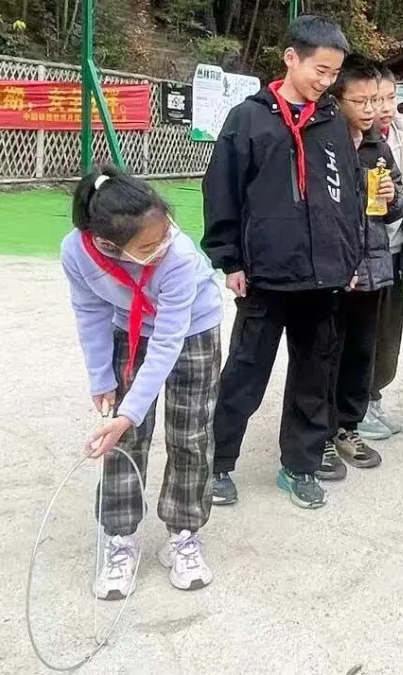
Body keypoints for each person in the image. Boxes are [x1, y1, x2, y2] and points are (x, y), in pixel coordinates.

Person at [201, 15, 364, 510]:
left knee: (315, 375)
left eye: (334, 73)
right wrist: (230, 259)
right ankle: (217, 463)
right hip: (265, 275)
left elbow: (350, 195)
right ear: (291, 58)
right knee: (245, 371)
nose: (326, 81)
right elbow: (222, 190)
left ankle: (300, 465)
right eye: (320, 69)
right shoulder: (248, 119)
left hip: (324, 277)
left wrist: (349, 257)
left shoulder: (332, 121)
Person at [63, 166, 223, 599]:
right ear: (109, 244)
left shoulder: (179, 256)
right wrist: (101, 377)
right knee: (123, 440)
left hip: (192, 331)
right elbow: (90, 311)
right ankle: (120, 538)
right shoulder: (77, 252)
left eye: (166, 231)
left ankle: (184, 533)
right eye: (150, 245)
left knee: (191, 435)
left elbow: (168, 341)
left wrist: (130, 411)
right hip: (129, 331)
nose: (164, 244)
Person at [315, 54, 403, 481]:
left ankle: (347, 427)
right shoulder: (321, 143)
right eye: (363, 101)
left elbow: (396, 206)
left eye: (378, 100)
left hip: (371, 268)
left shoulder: (377, 147)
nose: (373, 110)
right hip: (329, 271)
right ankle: (317, 434)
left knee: (359, 353)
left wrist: (391, 198)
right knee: (321, 355)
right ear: (338, 100)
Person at [356, 64, 403, 441]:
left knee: (388, 331)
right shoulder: (354, 136)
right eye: (374, 98)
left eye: (390, 97)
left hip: (398, 245)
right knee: (362, 331)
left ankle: (373, 396)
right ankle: (356, 403)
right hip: (365, 250)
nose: (383, 106)